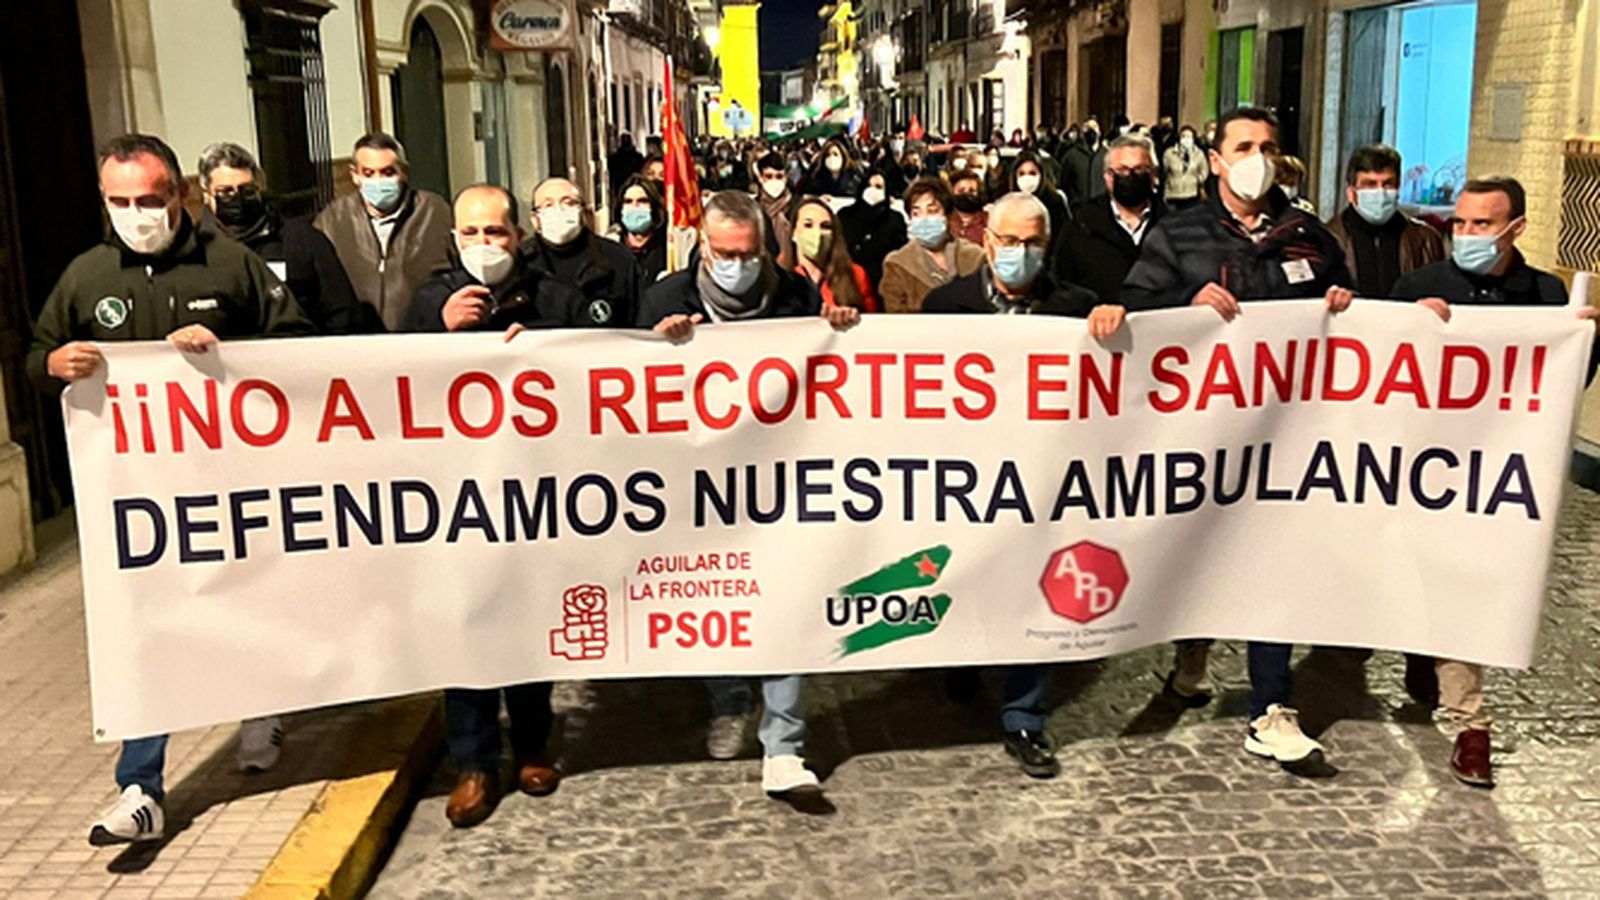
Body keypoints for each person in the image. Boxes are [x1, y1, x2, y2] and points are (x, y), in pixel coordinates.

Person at [27, 134, 311, 845]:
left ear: (180, 193)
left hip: (230, 484)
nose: (136, 214)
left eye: (149, 199)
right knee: (142, 627)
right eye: (119, 202)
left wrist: (228, 356)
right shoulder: (87, 275)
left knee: (243, 602)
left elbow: (297, 345)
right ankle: (140, 786)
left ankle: (261, 707)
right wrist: (54, 364)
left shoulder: (231, 262)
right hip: (136, 496)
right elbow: (36, 356)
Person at [1099, 106, 1354, 779]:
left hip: (1284, 437)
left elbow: (1354, 311)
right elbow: (1135, 308)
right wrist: (1186, 302)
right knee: (1201, 554)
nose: (1256, 158)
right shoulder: (1178, 233)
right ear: (1215, 160)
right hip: (1202, 435)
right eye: (1243, 146)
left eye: (1267, 146)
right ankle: (1191, 657)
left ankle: (1272, 707)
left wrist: (1344, 307)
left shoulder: (1309, 237)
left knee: (1273, 560)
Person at [640, 191, 857, 799]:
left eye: (749, 254)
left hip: (777, 476)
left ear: (766, 248)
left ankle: (784, 745)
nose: (737, 265)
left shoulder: (793, 295)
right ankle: (729, 697)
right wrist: (657, 345)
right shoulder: (665, 298)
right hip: (698, 480)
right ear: (702, 249)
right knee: (716, 594)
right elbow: (625, 380)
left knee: (783, 599)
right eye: (724, 254)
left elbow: (819, 369)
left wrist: (836, 330)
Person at [1390, 176, 1596, 788]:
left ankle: (1468, 720)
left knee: (1469, 585)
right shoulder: (1419, 287)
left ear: (1516, 228)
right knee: (1426, 577)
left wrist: (1582, 339)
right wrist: (1407, 326)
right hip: (1424, 465)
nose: (1467, 234)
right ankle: (1437, 673)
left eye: (1482, 224)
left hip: (1497, 473)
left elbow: (1562, 387)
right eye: (1460, 223)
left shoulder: (1546, 294)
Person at [405, 185, 588, 826]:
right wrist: (440, 331)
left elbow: (594, 380)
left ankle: (533, 746)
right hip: (458, 496)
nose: (484, 244)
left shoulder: (556, 300)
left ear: (519, 236)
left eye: (496, 232)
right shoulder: (428, 301)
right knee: (467, 625)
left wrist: (542, 349)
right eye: (472, 233)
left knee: (529, 622)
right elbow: (394, 384)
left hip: (536, 491)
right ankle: (474, 763)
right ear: (454, 239)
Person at [922, 193, 1097, 778]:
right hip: (966, 478)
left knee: (1037, 589)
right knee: (968, 577)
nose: (1021, 252)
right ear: (987, 241)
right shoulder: (944, 307)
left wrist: (1112, 326)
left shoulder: (1076, 308)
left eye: (1033, 242)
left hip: (1045, 479)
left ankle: (1024, 714)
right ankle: (962, 660)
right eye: (1010, 241)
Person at [195, 142, 362, 334]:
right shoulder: (195, 251)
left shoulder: (303, 240)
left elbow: (342, 311)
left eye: (246, 189)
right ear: (206, 194)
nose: (237, 198)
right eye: (226, 192)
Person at [313, 132, 453, 331]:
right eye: (368, 173)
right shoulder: (332, 220)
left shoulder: (435, 212)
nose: (378, 181)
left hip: (421, 333)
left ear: (404, 172)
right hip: (357, 337)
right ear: (355, 175)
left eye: (388, 172)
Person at [1053, 134, 1165, 306]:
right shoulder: (1081, 224)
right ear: (1108, 177)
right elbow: (1062, 283)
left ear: (1153, 174)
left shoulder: (1173, 225)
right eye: (1123, 170)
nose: (1131, 176)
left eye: (1140, 169)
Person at [1324, 144, 1446, 299]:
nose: (1380, 192)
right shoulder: (1327, 239)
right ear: (1351, 192)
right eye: (1370, 184)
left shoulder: (1426, 240)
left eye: (1388, 184)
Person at [520, 177, 639, 328]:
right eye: (548, 205)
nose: (559, 210)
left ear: (583, 212)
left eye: (568, 203)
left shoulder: (618, 258)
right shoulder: (520, 261)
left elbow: (638, 318)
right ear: (535, 219)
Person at [880, 177, 986, 313]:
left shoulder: (976, 257)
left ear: (948, 216)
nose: (924, 219)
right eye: (916, 213)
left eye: (932, 211)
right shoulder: (897, 264)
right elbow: (896, 316)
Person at [793, 196, 879, 312]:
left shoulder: (856, 275)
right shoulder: (781, 280)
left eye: (825, 226)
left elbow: (872, 319)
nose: (818, 233)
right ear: (793, 232)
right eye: (808, 225)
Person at [837, 168, 907, 289]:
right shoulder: (845, 215)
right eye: (868, 186)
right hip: (850, 281)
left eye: (878, 187)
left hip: (883, 283)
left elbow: (899, 255)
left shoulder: (895, 219)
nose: (872, 190)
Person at [610, 174, 669, 285]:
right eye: (628, 201)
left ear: (654, 207)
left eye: (642, 201)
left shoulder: (667, 249)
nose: (635, 206)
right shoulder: (611, 250)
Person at [1008, 149, 1069, 247]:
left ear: (1041, 175)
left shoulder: (1055, 202)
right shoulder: (1009, 204)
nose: (1027, 178)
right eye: (1021, 173)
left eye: (1032, 173)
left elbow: (1064, 236)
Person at [755, 152, 798, 270]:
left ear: (786, 178)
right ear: (760, 178)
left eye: (779, 176)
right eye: (768, 176)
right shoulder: (753, 208)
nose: (774, 181)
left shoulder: (798, 206)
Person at [1162, 125, 1209, 211]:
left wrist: (1197, 180)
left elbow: (1204, 170)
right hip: (1173, 194)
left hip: (1192, 193)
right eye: (1183, 136)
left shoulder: (1199, 154)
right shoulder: (1169, 153)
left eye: (1189, 136)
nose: (1186, 139)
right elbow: (1164, 171)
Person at [1061, 117, 1106, 205]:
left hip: (1101, 206)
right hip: (1078, 206)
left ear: (1100, 132)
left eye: (1094, 127)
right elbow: (1064, 182)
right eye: (1087, 128)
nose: (1091, 131)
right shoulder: (1071, 156)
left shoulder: (1107, 155)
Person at [948, 169, 989, 245]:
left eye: (971, 191)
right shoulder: (945, 221)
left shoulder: (989, 221)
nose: (966, 194)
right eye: (961, 190)